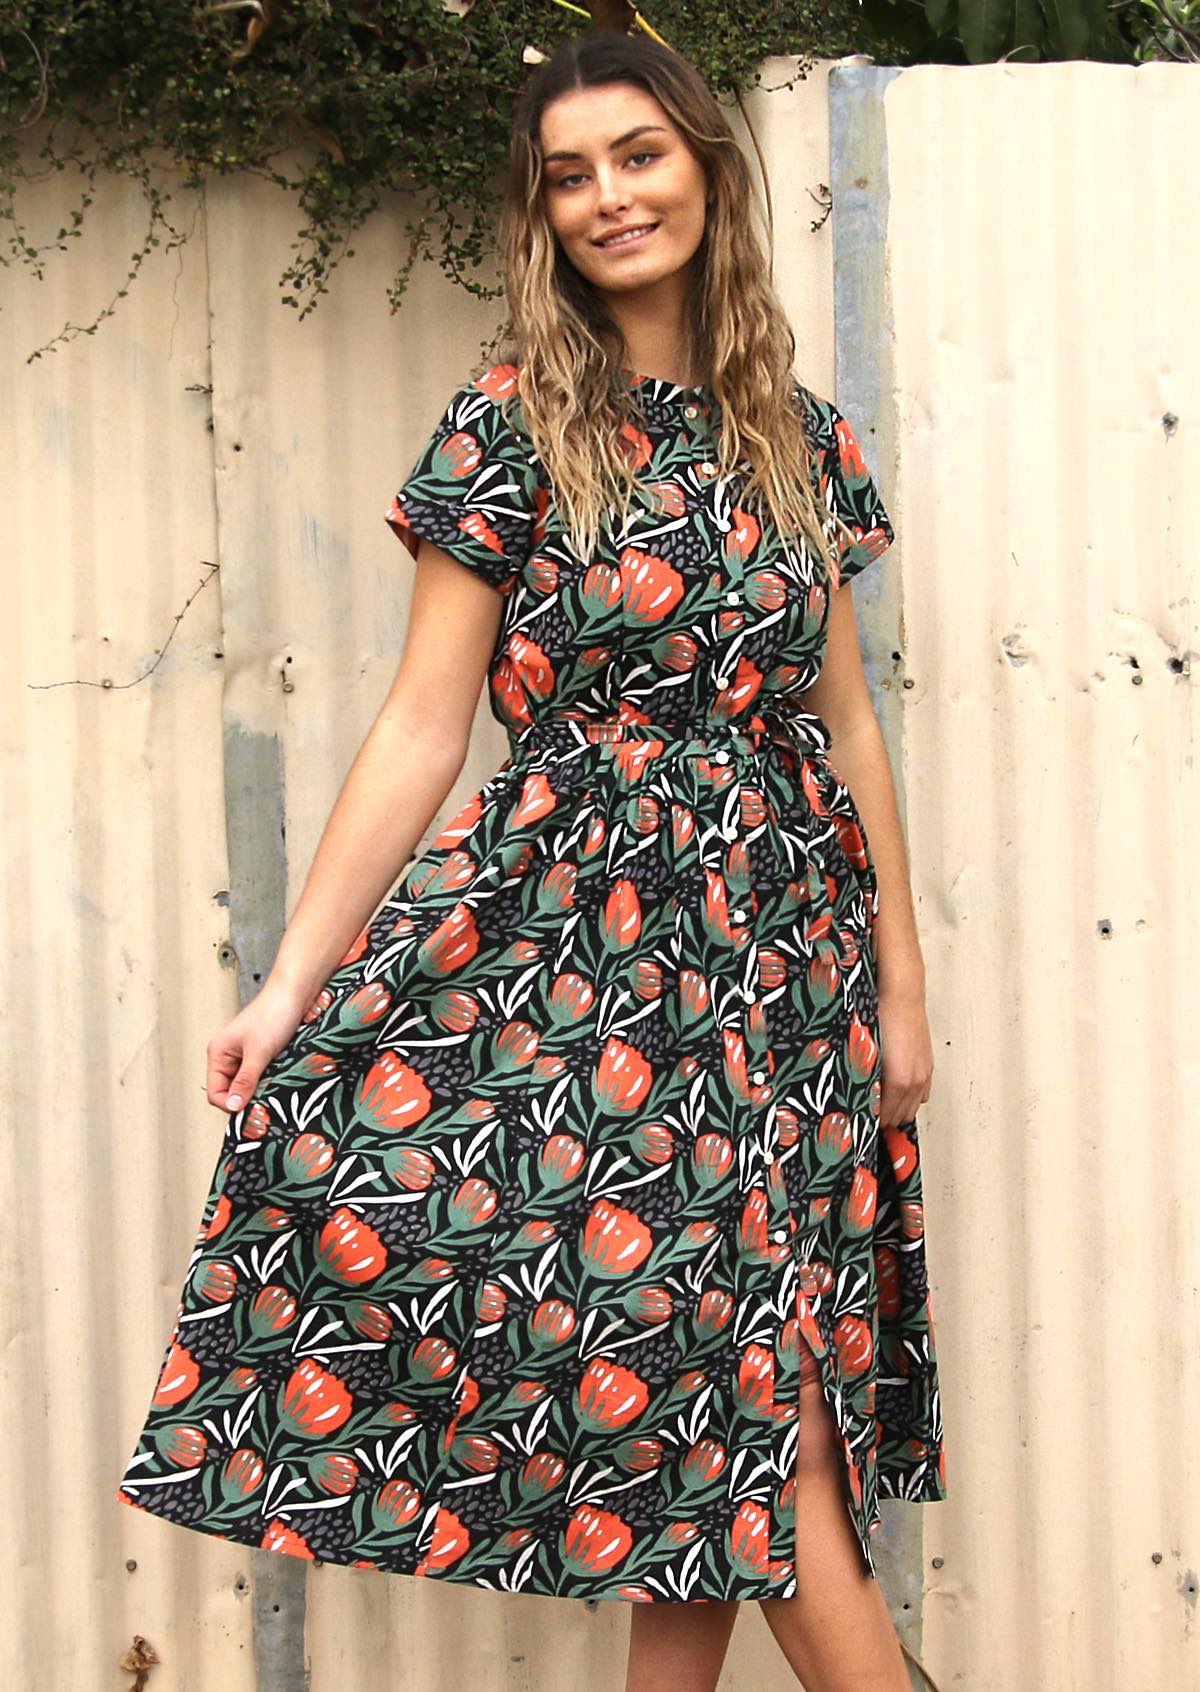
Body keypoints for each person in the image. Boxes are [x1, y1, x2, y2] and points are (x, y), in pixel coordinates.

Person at [116, 29, 946, 1692]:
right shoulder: (508, 430)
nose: (609, 198)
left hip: (788, 984)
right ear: (542, 212)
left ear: (707, 163)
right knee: (753, 1434)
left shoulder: (804, 436)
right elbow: (426, 729)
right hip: (596, 983)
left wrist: (902, 995)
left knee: (711, 1444)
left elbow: (849, 733)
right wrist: (290, 987)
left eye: (637, 155)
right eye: (570, 176)